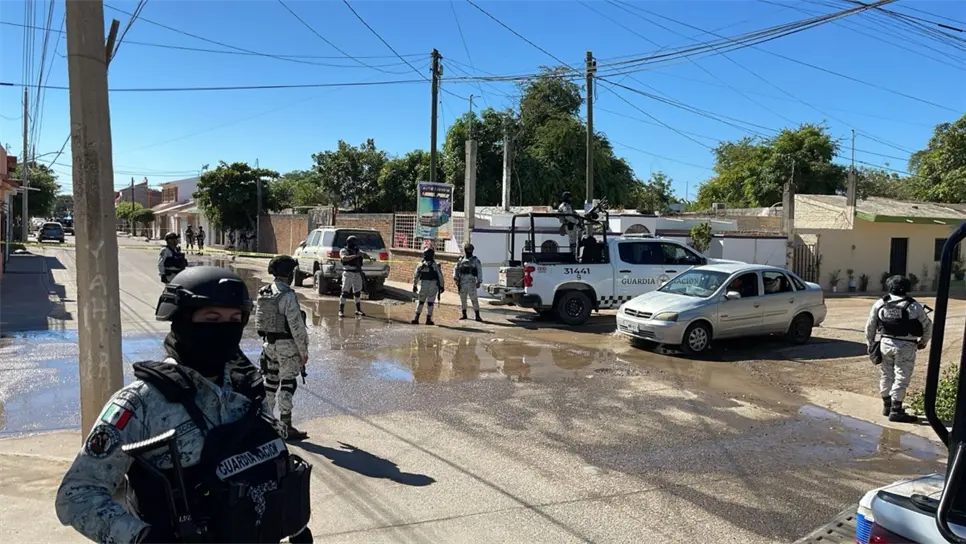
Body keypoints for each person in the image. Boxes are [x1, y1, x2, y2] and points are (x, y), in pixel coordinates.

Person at [55, 266, 313, 544]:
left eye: (234, 319)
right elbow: (77, 496)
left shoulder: (247, 388)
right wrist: (141, 538)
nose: (225, 329)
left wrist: (294, 525)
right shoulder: (141, 403)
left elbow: (269, 467)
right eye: (211, 318)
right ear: (181, 320)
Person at [256, 255, 310, 441]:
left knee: (270, 383)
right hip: (287, 346)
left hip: (269, 345)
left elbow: (260, 321)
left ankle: (266, 423)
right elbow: (296, 327)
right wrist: (303, 352)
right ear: (289, 273)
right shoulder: (287, 295)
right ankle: (286, 426)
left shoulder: (264, 292)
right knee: (288, 383)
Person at [865, 275, 933, 423]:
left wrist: (870, 343)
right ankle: (896, 411)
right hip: (906, 345)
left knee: (886, 374)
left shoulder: (880, 304)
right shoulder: (914, 306)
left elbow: (870, 326)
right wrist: (923, 342)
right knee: (901, 377)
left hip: (885, 343)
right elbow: (928, 326)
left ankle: (887, 406)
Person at [412, 247, 444, 325]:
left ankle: (416, 318)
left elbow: (416, 276)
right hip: (433, 285)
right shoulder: (435, 265)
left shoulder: (421, 265)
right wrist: (442, 286)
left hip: (424, 285)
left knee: (421, 301)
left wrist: (415, 285)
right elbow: (440, 276)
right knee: (430, 302)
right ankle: (428, 319)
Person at [453, 242, 483, 322]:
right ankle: (464, 314)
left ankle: (477, 315)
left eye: (470, 250)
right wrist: (456, 279)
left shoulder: (475, 260)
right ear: (465, 250)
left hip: (471, 281)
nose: (469, 251)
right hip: (462, 281)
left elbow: (479, 270)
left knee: (474, 299)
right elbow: (456, 269)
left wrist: (479, 281)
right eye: (467, 250)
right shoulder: (461, 260)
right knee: (463, 299)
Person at [339, 235, 367, 318]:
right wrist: (356, 256)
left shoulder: (357, 250)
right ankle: (341, 310)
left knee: (357, 291)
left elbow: (363, 254)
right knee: (345, 291)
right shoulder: (344, 250)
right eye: (354, 243)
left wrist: (366, 256)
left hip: (357, 272)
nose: (355, 244)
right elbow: (344, 258)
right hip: (348, 273)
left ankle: (358, 310)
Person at [557, 191, 582, 255]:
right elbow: (569, 217)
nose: (571, 199)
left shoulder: (562, 205)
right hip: (569, 225)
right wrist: (577, 221)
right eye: (569, 198)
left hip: (568, 225)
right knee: (573, 242)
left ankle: (573, 254)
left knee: (573, 242)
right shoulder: (566, 205)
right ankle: (573, 255)